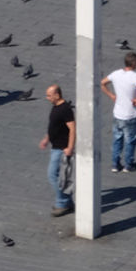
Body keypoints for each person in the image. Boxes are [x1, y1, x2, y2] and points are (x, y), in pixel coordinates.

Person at [100, 51, 136, 172]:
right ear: (134, 63)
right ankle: (128, 165)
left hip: (118, 114)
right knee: (131, 140)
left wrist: (111, 95)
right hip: (131, 115)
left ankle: (115, 164)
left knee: (117, 139)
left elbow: (102, 83)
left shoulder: (116, 74)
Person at [40, 84, 76, 216]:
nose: (47, 98)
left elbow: (72, 128)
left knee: (52, 175)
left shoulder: (65, 109)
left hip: (62, 148)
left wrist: (70, 147)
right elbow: (54, 126)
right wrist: (47, 138)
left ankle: (62, 202)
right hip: (56, 146)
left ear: (57, 95)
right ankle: (67, 201)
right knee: (60, 176)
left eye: (49, 95)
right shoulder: (56, 107)